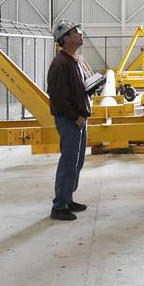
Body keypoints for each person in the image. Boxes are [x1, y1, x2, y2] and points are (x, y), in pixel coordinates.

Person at [48, 20, 91, 222]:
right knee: (68, 162)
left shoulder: (72, 60)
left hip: (79, 119)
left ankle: (68, 198)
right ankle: (59, 206)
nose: (81, 34)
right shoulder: (60, 64)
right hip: (71, 121)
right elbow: (58, 98)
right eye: (76, 32)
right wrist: (76, 117)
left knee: (76, 162)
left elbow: (75, 91)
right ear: (65, 39)